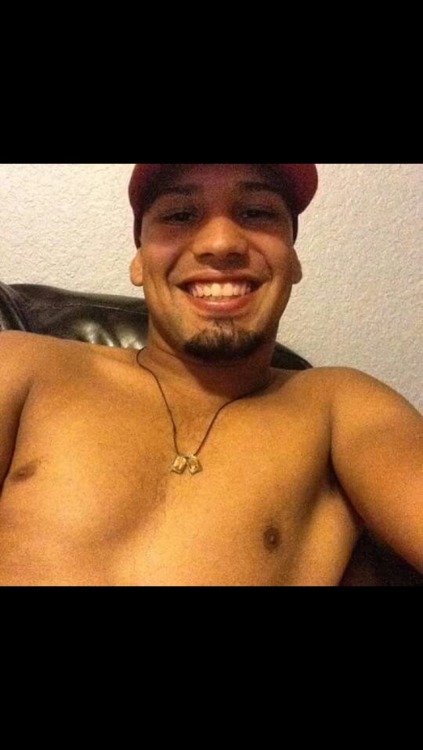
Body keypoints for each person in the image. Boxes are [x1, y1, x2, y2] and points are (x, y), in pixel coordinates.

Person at [0, 163, 421, 586]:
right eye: (180, 215)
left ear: (292, 260)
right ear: (139, 261)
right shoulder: (23, 364)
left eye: (256, 212)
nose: (220, 244)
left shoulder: (341, 407)